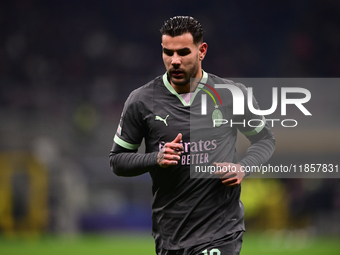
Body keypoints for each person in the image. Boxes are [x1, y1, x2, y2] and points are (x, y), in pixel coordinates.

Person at [110, 16, 275, 255]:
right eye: (168, 52)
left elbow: (265, 139)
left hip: (220, 230)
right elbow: (117, 160)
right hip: (170, 234)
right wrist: (155, 158)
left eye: (183, 52)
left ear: (202, 51)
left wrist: (243, 166)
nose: (174, 61)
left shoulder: (231, 95)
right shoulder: (141, 100)